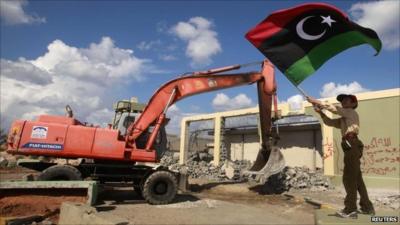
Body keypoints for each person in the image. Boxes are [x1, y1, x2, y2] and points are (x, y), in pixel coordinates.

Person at [306, 94, 375, 219]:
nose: (343, 101)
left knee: (349, 179)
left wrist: (315, 101)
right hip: (351, 145)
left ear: (353, 104)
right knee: (357, 180)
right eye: (342, 100)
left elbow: (334, 109)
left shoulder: (350, 112)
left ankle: (350, 209)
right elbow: (330, 122)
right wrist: (321, 113)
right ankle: (367, 207)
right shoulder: (345, 118)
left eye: (346, 100)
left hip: (351, 144)